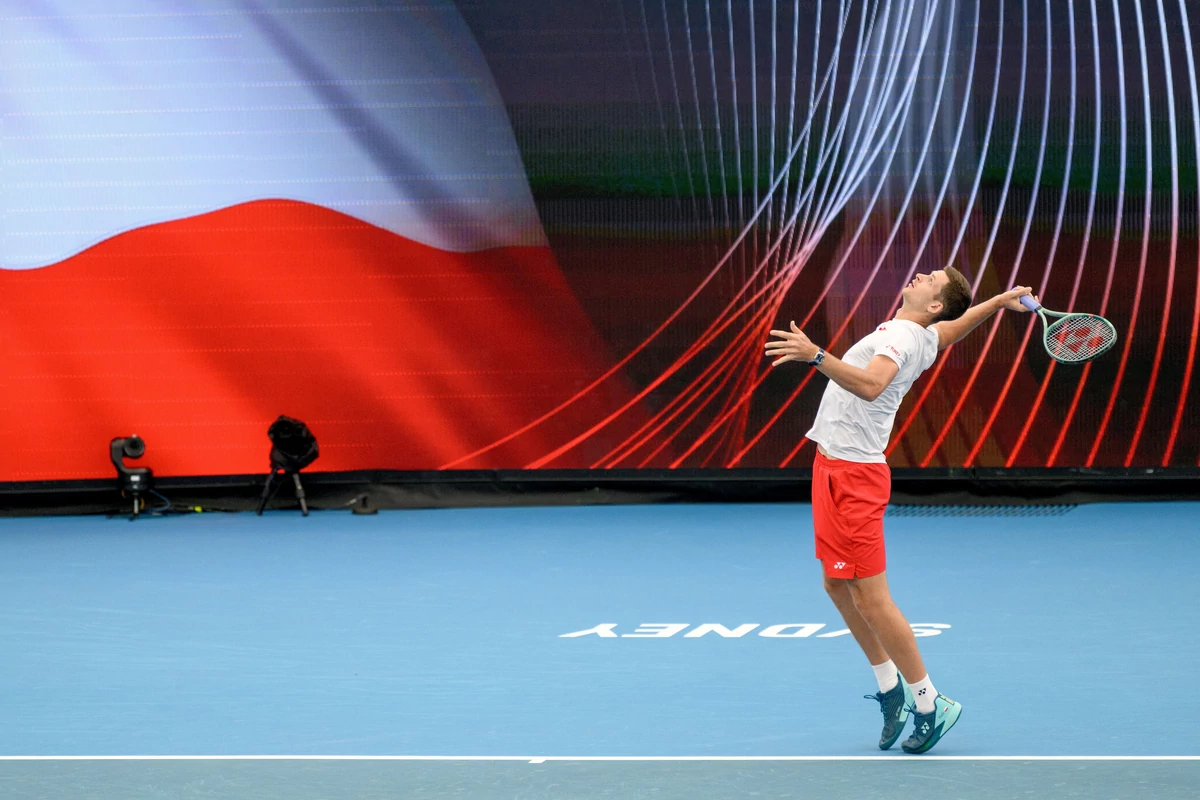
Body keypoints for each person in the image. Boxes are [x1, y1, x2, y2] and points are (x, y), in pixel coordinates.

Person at [764, 270, 1034, 754]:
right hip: (831, 464)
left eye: (933, 278)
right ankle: (890, 688)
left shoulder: (900, 335)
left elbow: (871, 385)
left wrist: (816, 356)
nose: (922, 273)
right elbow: (952, 328)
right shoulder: (923, 335)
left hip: (855, 478)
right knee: (834, 583)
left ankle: (931, 704)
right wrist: (998, 301)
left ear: (933, 304)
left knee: (872, 598)